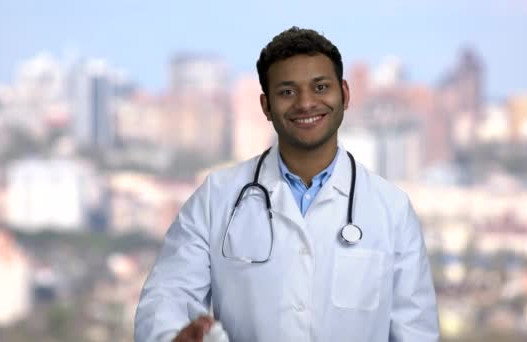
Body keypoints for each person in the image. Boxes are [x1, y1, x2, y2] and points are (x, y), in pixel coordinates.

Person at [135, 27, 440, 342]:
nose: (306, 103)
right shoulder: (216, 197)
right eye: (287, 92)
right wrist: (172, 337)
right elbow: (167, 296)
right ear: (266, 106)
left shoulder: (391, 208)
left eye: (320, 87)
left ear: (345, 94)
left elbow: (416, 331)